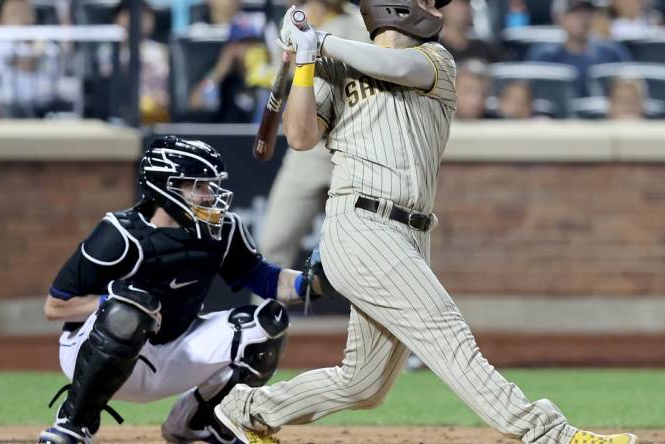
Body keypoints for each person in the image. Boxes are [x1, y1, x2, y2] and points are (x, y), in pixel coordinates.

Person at [214, 2, 639, 444]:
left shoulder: (435, 60)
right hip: (361, 225)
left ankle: (246, 409)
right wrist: (305, 62)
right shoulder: (335, 66)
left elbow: (395, 65)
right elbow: (300, 137)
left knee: (363, 384)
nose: (432, 7)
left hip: (411, 233)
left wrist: (319, 42)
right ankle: (548, 435)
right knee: (446, 334)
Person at [37, 136, 323, 444]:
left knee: (268, 324)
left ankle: (201, 422)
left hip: (175, 349)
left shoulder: (224, 231)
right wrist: (119, 302)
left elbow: (266, 280)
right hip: (97, 353)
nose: (210, 195)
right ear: (165, 187)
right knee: (129, 310)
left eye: (211, 186)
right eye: (198, 186)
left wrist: (313, 282)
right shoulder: (118, 234)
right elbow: (55, 307)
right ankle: (74, 423)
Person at [258, 0, 370, 269]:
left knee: (365, 251)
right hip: (308, 152)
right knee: (273, 242)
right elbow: (283, 82)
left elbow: (354, 79)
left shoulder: (359, 24)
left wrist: (308, 57)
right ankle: (266, 310)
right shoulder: (291, 20)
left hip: (351, 149)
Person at [529, 0, 631, 97]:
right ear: (558, 17)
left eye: (588, 12)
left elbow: (631, 89)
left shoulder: (612, 53)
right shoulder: (545, 57)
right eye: (575, 12)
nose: (583, 18)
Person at [189, 12, 272, 123]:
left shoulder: (266, 74)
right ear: (230, 48)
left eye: (253, 43)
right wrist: (218, 73)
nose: (249, 49)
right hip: (225, 136)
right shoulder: (218, 73)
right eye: (243, 43)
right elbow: (196, 105)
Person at [439, 0, 506, 63]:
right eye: (458, 3)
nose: (465, 9)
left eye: (467, 3)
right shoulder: (434, 51)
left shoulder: (484, 49)